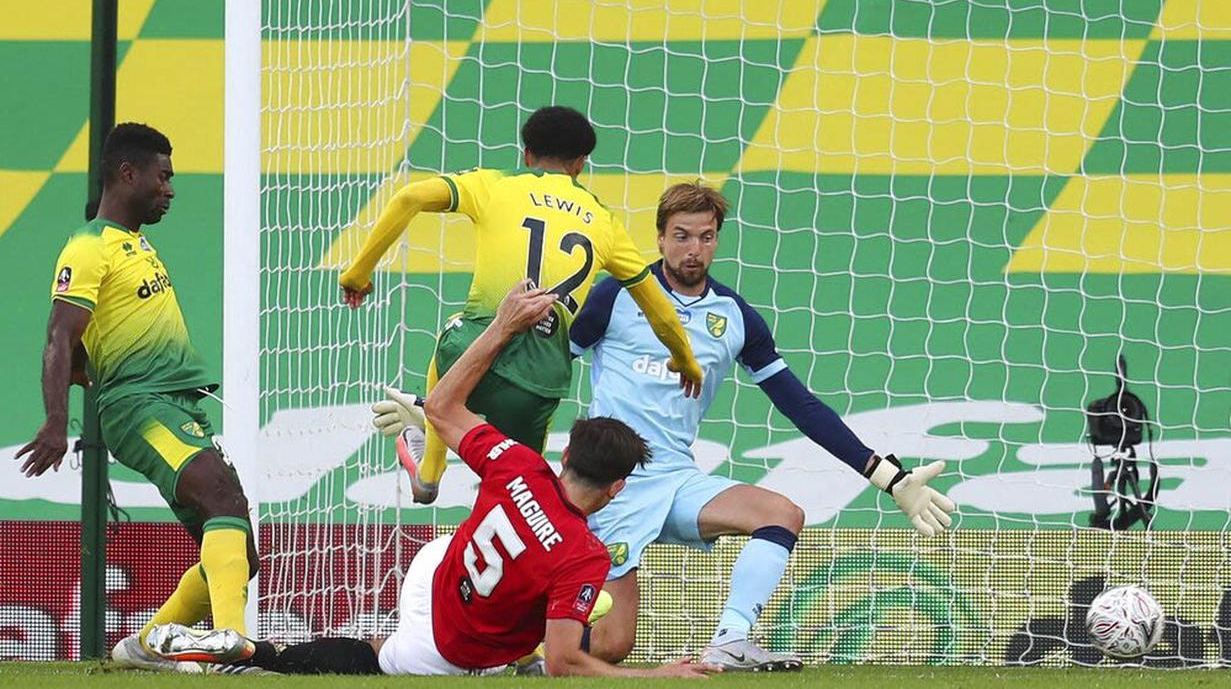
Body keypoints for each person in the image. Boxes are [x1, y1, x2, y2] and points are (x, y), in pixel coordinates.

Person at [149, 283, 719, 678]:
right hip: (448, 643)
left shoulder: (519, 463)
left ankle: (425, 469)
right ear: (617, 488)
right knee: (377, 659)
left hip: (436, 565)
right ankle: (257, 658)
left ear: (565, 453)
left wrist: (502, 325)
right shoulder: (583, 555)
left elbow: (444, 404)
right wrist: (658, 674)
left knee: (480, 589)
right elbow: (567, 662)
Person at [567, 182, 958, 670]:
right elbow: (550, 367)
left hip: (675, 478)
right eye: (682, 236)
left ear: (717, 238)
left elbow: (800, 405)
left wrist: (887, 476)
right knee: (608, 646)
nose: (693, 250)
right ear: (661, 237)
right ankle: (514, 650)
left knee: (781, 514)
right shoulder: (616, 296)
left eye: (706, 237)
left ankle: (730, 641)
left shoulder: (735, 316)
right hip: (610, 484)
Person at [340, 105, 702, 505]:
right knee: (519, 490)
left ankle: (430, 470)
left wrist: (357, 275)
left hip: (472, 355)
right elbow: (658, 309)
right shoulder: (604, 221)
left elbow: (409, 197)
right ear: (581, 164)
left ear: (527, 154)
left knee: (455, 330)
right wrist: (685, 360)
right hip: (538, 380)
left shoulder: (494, 184)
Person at [16, 123, 258, 670]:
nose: (170, 189)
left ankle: (143, 649)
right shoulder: (88, 246)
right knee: (222, 499)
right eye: (163, 176)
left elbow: (85, 345)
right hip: (141, 407)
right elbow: (59, 335)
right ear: (128, 173)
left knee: (240, 550)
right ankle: (234, 651)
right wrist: (56, 421)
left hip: (175, 405)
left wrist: (86, 370)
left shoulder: (136, 244)